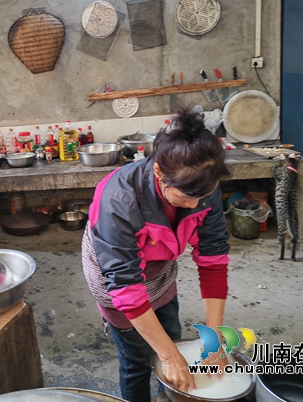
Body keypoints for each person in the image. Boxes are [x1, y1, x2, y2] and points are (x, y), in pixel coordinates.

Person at [82, 107, 231, 402]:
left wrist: (213, 339)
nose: (195, 205)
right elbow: (125, 288)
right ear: (159, 172)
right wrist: (169, 356)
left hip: (160, 270)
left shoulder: (202, 184)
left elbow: (213, 262)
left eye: (202, 197)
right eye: (186, 198)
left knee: (171, 336)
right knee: (138, 359)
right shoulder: (118, 200)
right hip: (115, 278)